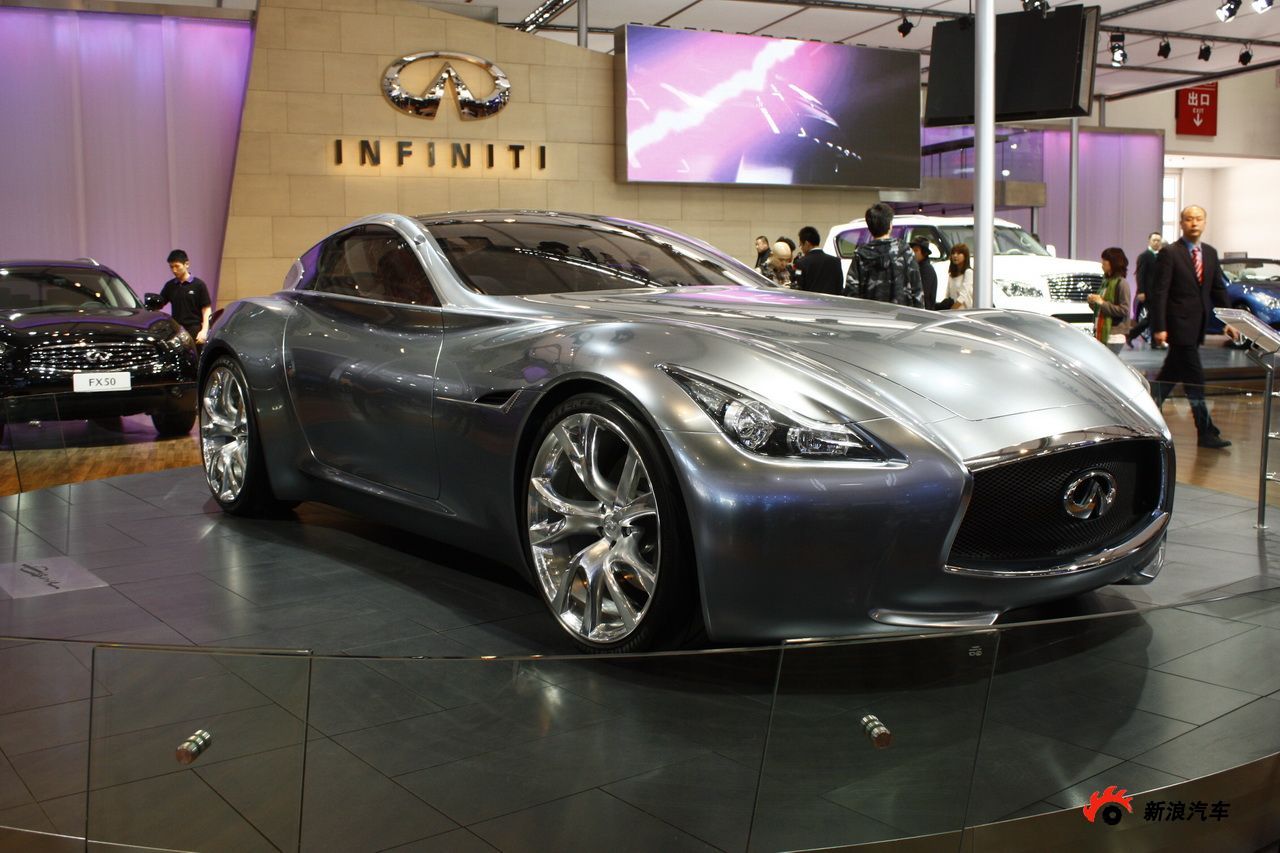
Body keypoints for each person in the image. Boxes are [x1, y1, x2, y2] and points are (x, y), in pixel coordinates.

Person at [1149, 205, 1237, 449]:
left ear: (1205, 222)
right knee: (1195, 379)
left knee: (1168, 378)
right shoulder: (1169, 253)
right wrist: (1159, 326)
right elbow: (1160, 292)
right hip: (1178, 327)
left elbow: (1218, 289)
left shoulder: (1209, 253)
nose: (1194, 223)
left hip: (1197, 327)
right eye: (1189, 219)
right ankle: (1206, 431)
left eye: (1198, 219)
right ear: (1181, 223)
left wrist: (1230, 321)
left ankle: (1138, 416)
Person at [843, 202, 923, 307]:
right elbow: (917, 290)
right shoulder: (905, 251)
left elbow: (851, 292)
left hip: (869, 314)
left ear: (869, 228)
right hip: (902, 315)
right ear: (890, 225)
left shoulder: (860, 255)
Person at [155, 249, 212, 344]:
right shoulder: (170, 286)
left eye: (177, 266)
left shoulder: (199, 285)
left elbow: (206, 309)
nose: (174, 270)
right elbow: (158, 304)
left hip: (195, 330)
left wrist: (204, 331)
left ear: (186, 264)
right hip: (176, 331)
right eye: (171, 267)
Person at [1089, 247, 1132, 353]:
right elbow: (1101, 309)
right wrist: (1093, 302)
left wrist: (1102, 302)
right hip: (1101, 331)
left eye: (1105, 260)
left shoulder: (1122, 283)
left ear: (1114, 262)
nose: (1102, 263)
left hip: (1114, 335)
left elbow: (1124, 310)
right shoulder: (1105, 283)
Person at [1127, 231, 1162, 348]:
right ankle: (1133, 335)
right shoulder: (1144, 256)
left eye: (1158, 240)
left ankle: (1133, 335)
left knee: (1152, 317)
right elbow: (1140, 275)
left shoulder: (1160, 256)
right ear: (1149, 241)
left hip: (1157, 293)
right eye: (1154, 240)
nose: (1156, 242)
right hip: (1148, 293)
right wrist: (1141, 291)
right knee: (1151, 317)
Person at [791, 226, 842, 295]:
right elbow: (839, 287)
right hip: (831, 301)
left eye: (801, 245)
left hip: (810, 301)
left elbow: (799, 288)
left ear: (807, 243)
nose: (801, 248)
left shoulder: (801, 263)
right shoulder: (835, 261)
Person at [938, 243, 973, 310]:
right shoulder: (952, 274)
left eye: (959, 253)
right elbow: (948, 294)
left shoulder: (968, 272)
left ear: (965, 256)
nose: (955, 256)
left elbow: (963, 295)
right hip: (952, 311)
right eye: (953, 253)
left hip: (965, 311)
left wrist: (952, 309)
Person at [910, 237, 938, 310]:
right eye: (912, 250)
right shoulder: (916, 267)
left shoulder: (927, 269)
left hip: (924, 312)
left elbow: (922, 293)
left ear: (924, 253)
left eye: (916, 250)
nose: (913, 253)